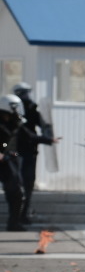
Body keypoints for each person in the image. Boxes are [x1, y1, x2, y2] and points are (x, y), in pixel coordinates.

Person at [12, 83, 60, 224]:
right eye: (23, 93)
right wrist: (47, 139)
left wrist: (48, 132)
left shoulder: (32, 109)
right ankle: (16, 217)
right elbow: (25, 135)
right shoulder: (13, 114)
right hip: (16, 153)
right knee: (18, 185)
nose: (26, 97)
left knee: (28, 184)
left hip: (30, 152)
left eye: (27, 93)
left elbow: (41, 124)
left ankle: (23, 214)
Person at [0, 94, 27, 231]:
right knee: (15, 192)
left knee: (16, 193)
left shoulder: (12, 122)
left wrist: (49, 139)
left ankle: (14, 223)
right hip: (5, 163)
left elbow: (27, 136)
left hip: (9, 162)